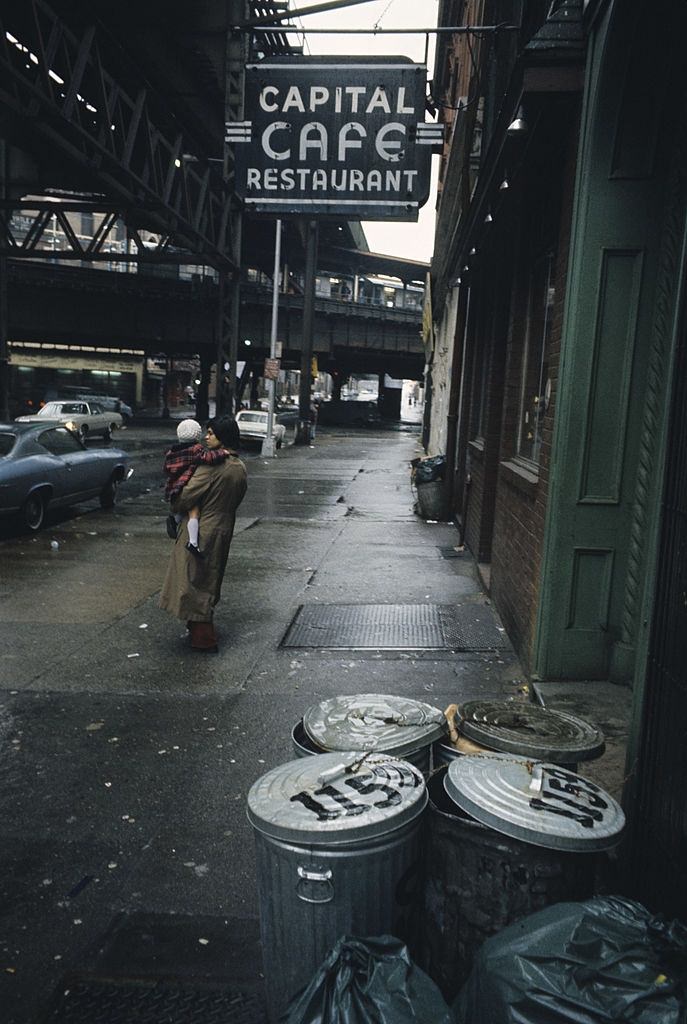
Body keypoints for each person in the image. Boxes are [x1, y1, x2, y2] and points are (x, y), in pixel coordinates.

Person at [159, 416, 247, 652]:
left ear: (223, 437)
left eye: (211, 433)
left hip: (203, 526)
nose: (206, 437)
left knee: (194, 580)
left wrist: (177, 503)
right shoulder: (239, 466)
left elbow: (185, 497)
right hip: (223, 526)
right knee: (210, 577)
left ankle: (203, 637)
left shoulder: (211, 466)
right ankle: (196, 626)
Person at [162, 418, 230, 557]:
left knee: (184, 510)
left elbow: (166, 469)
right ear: (197, 435)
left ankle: (175, 520)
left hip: (174, 486)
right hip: (185, 484)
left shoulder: (172, 452)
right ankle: (193, 542)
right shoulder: (195, 450)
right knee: (194, 512)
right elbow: (207, 457)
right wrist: (222, 453)